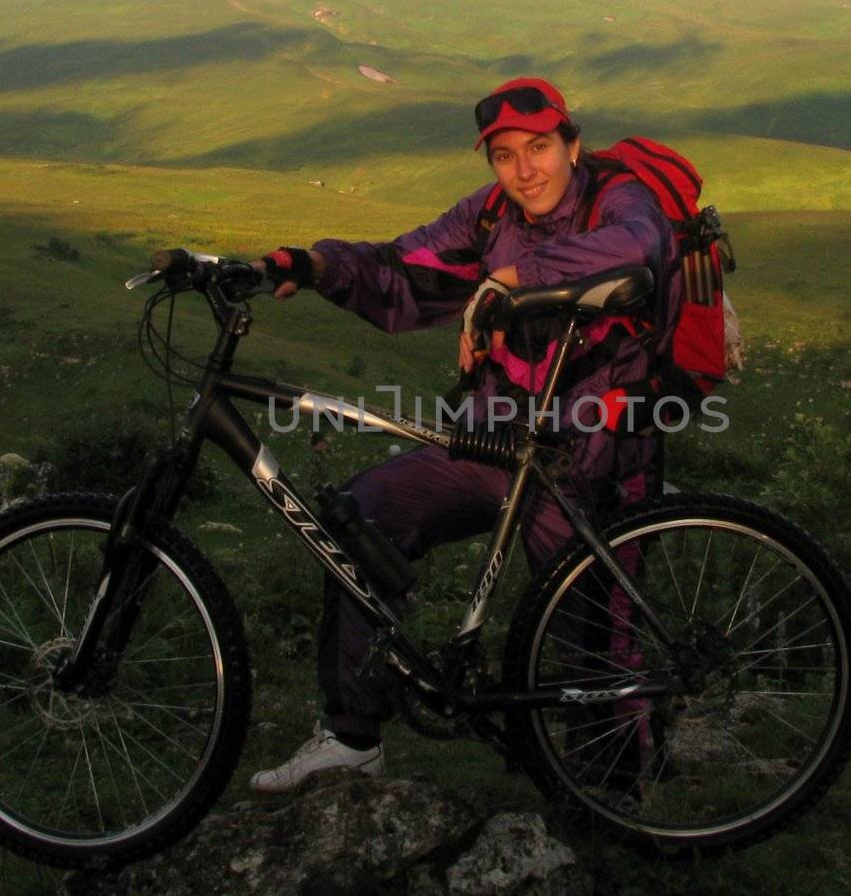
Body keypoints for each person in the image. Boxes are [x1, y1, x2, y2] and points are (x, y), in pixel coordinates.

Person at [248, 77, 678, 792]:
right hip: (496, 443)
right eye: (505, 156)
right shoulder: (487, 216)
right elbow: (402, 268)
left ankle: (617, 800)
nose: (524, 170)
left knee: (596, 639)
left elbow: (641, 246)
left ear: (573, 145)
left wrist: (516, 277)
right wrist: (314, 263)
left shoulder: (617, 198)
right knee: (365, 520)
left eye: (539, 148)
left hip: (592, 457)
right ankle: (352, 738)